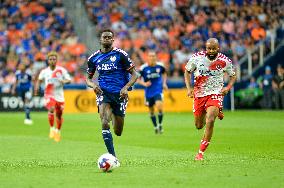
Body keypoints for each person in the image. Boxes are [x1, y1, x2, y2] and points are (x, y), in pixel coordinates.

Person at [86, 29, 138, 159]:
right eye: (105, 37)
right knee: (104, 121)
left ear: (113, 40)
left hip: (120, 94)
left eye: (110, 37)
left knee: (118, 132)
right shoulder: (93, 58)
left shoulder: (121, 55)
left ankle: (115, 113)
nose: (107, 39)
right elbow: (88, 79)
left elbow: (135, 75)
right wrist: (93, 85)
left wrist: (126, 88)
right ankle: (113, 157)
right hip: (104, 93)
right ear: (100, 39)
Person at [184, 38, 237, 160]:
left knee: (211, 119)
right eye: (209, 48)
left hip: (215, 93)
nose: (211, 51)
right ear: (206, 48)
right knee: (199, 125)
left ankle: (200, 153)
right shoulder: (197, 58)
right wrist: (188, 88)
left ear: (218, 48)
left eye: (214, 48)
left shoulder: (224, 60)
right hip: (199, 94)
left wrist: (228, 87)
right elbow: (187, 72)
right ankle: (217, 110)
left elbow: (233, 75)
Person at [34, 51, 71, 142]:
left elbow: (69, 80)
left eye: (54, 59)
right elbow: (39, 80)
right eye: (50, 59)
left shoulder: (61, 70)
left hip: (59, 95)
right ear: (48, 60)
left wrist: (64, 81)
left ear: (56, 60)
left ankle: (57, 131)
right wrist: (37, 88)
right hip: (49, 93)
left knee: (59, 115)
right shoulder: (44, 71)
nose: (52, 61)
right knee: (51, 108)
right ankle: (51, 129)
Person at [137, 51, 168, 134]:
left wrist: (164, 83)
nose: (152, 57)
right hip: (148, 92)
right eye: (150, 56)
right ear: (147, 58)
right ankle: (155, 126)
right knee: (151, 111)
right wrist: (144, 83)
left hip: (158, 90)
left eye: (153, 56)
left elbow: (164, 73)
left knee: (159, 107)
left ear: (155, 57)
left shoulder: (160, 66)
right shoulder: (143, 68)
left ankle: (160, 124)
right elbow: (137, 79)